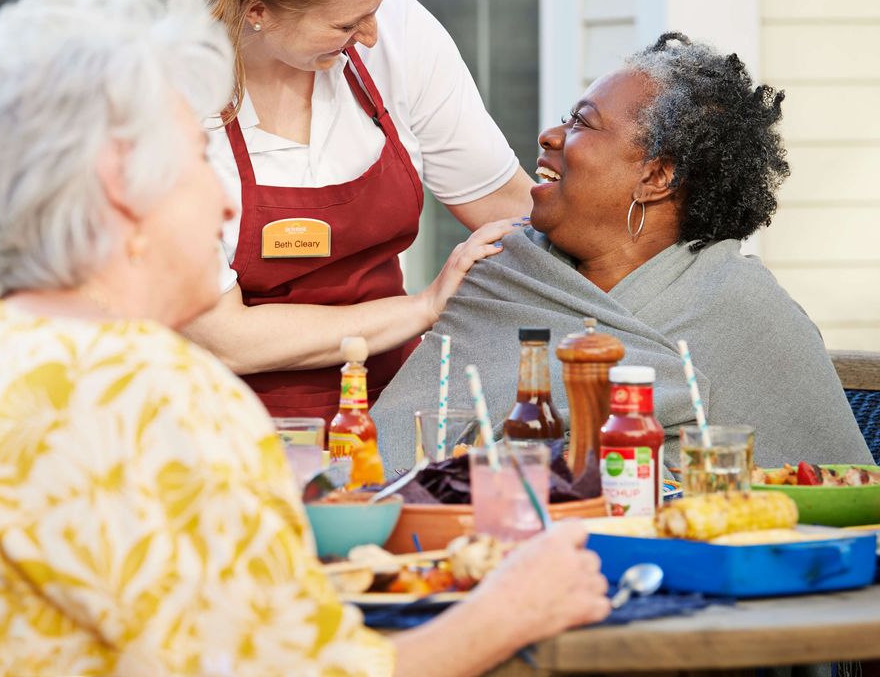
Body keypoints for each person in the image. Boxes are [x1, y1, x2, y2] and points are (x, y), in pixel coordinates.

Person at [0, 0, 609, 677]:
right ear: (117, 182)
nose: (227, 205)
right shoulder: (152, 398)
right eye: (198, 159)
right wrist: (516, 606)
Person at [372, 33, 872, 472]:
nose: (549, 135)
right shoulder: (498, 276)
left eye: (582, 124)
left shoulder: (749, 315)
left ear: (656, 177)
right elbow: (393, 459)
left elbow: (833, 496)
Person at [179, 0, 532, 419]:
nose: (369, 34)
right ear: (257, 11)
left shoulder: (395, 32)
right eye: (345, 25)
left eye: (375, 7)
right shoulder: (173, 109)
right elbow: (226, 337)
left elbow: (510, 208)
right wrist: (423, 307)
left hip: (390, 416)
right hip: (231, 438)